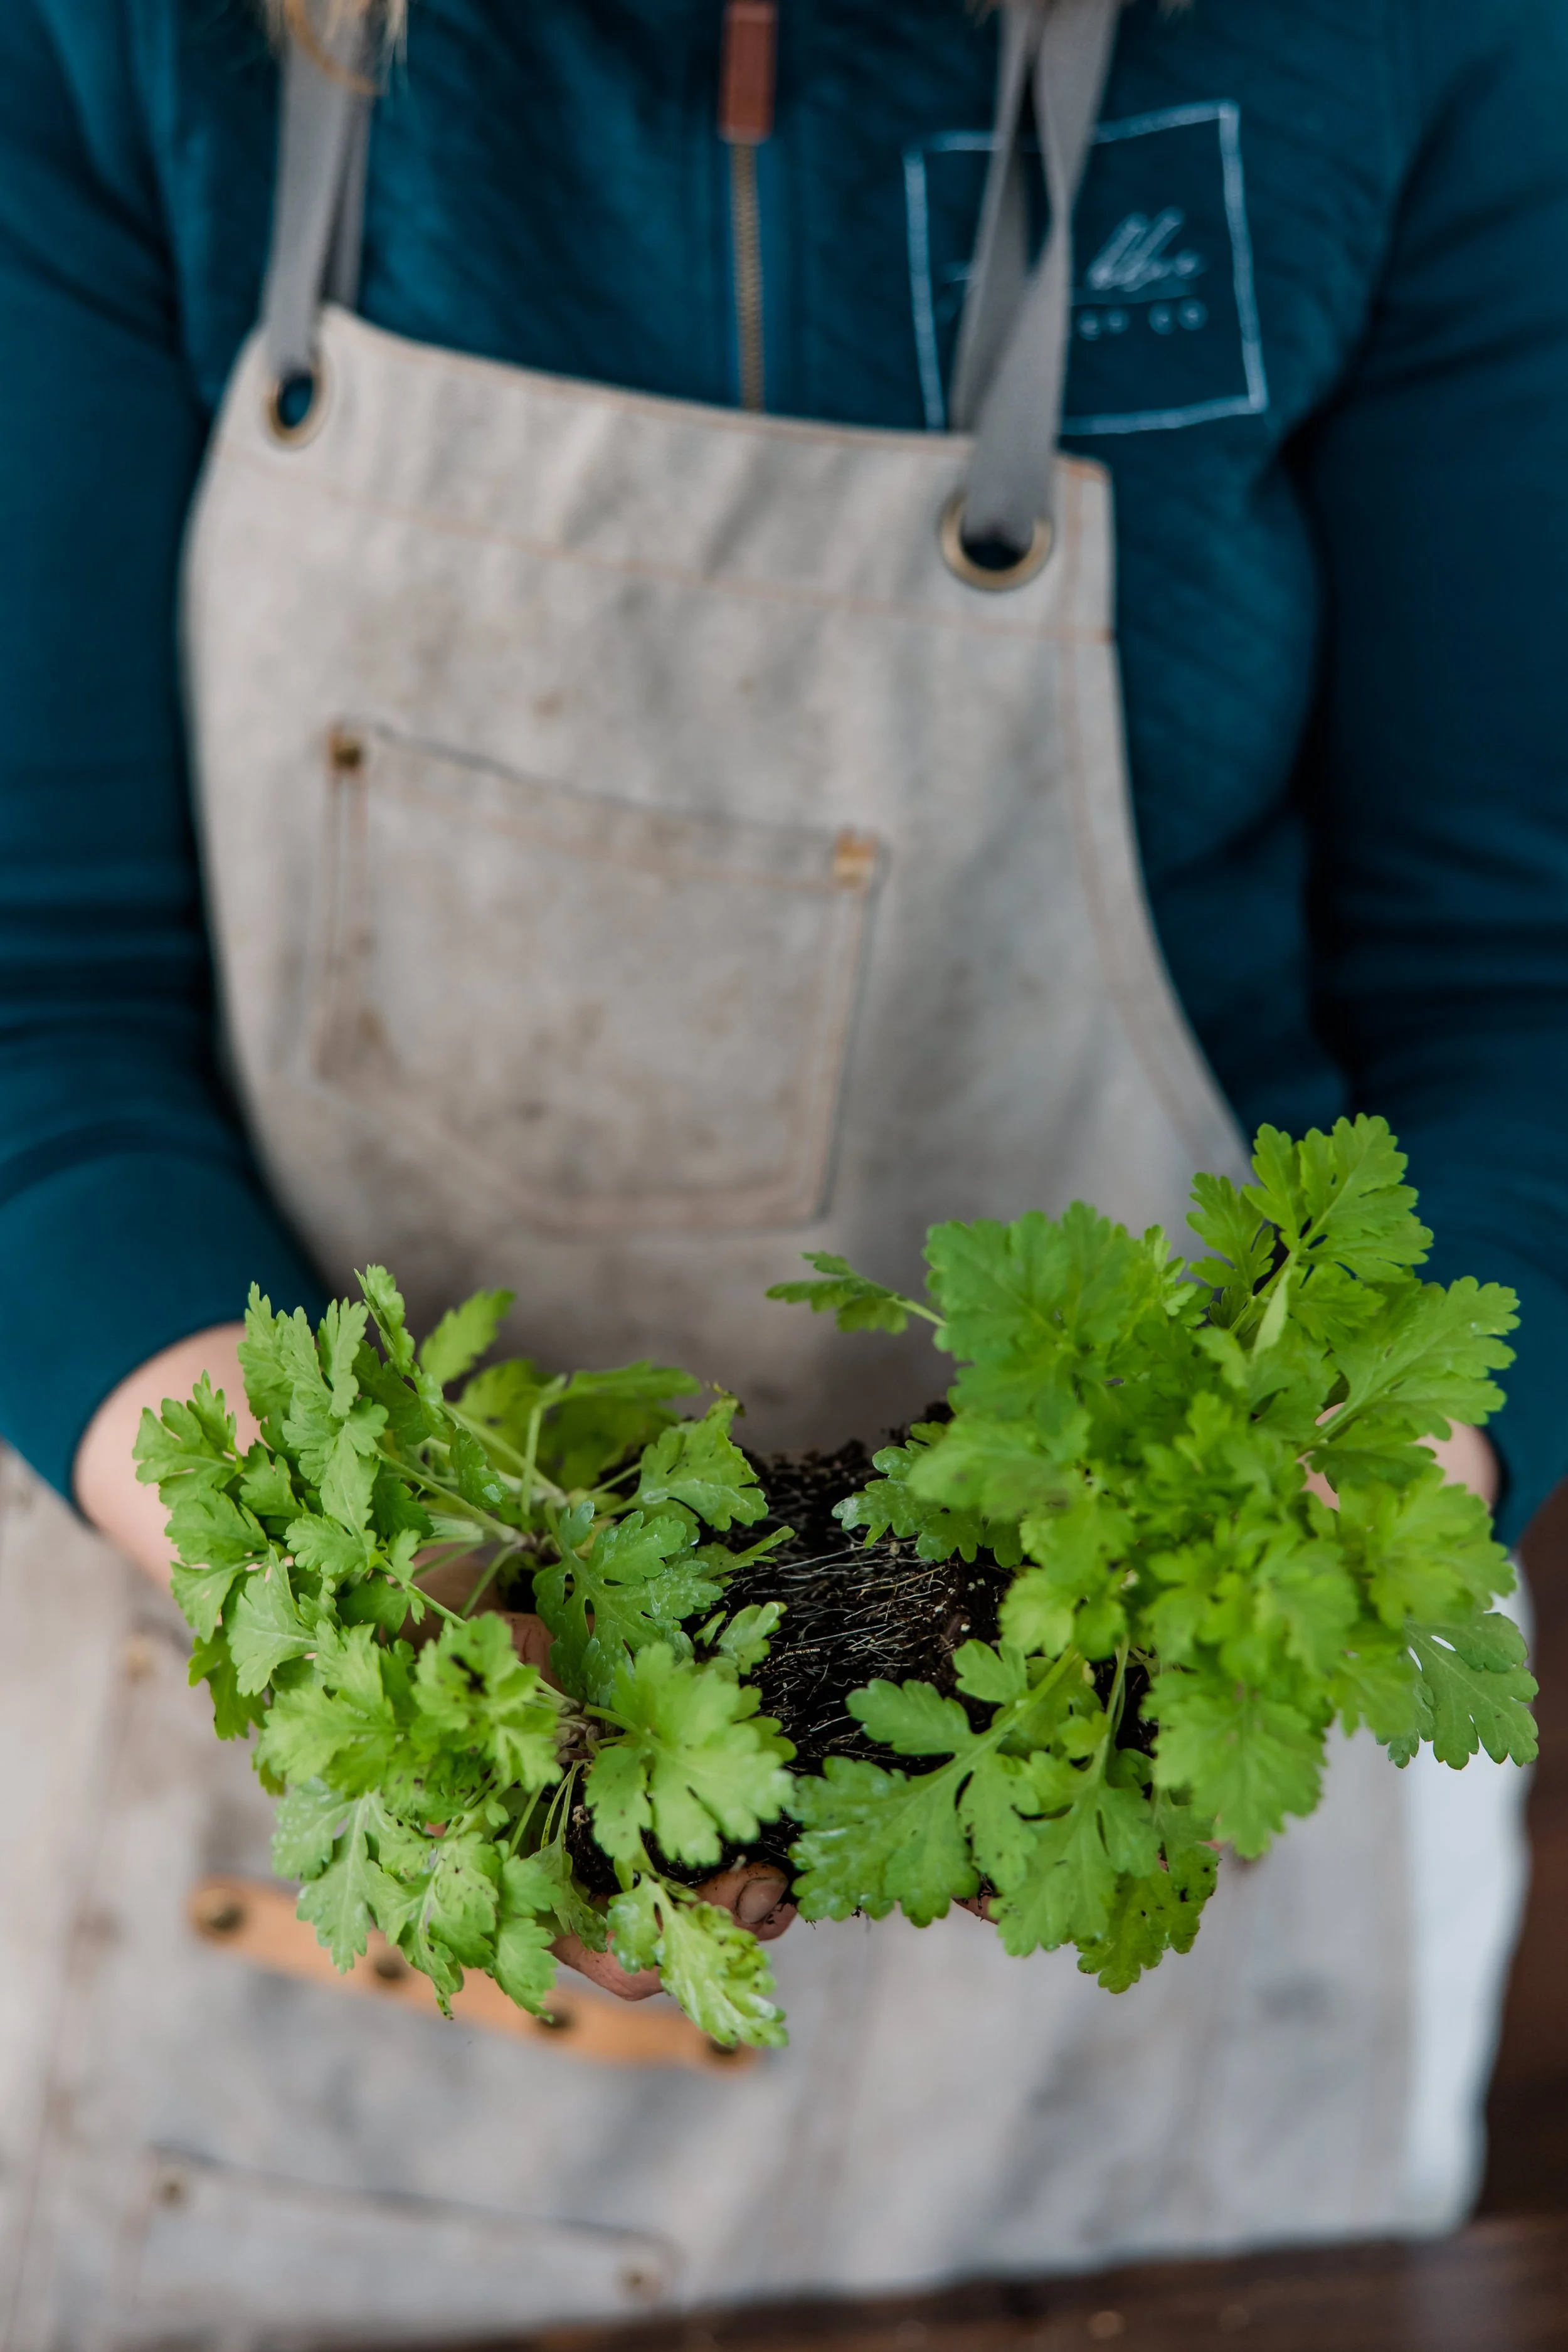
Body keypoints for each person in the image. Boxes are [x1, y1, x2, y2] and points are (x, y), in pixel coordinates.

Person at [0, 0, 1562, 2338]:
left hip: (1151, 1980)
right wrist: (356, 1592)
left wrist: (1298, 1503)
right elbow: (38, 993)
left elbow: (1517, 991)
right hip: (309, 1926)